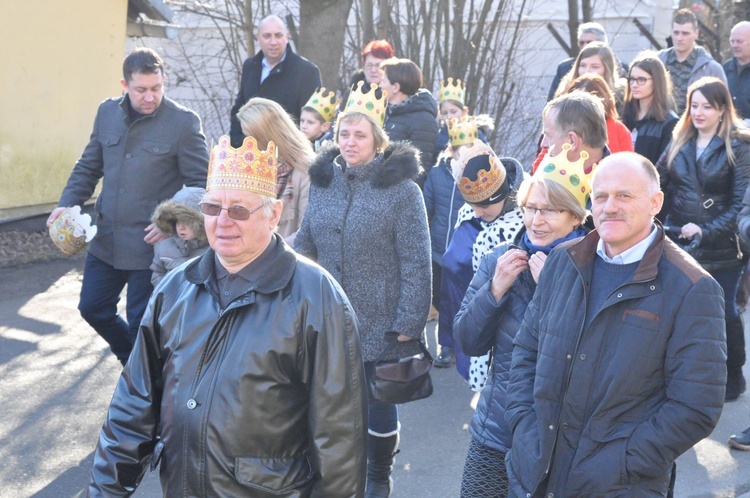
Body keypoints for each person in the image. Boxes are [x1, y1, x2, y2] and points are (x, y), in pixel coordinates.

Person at [87, 135, 367, 497]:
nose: (223, 222)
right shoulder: (175, 290)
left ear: (274, 215)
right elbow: (132, 406)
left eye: (238, 210)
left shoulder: (317, 298)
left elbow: (339, 436)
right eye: (212, 208)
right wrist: (105, 491)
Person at [506, 151, 727, 497]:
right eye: (601, 196)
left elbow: (695, 406)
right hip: (535, 474)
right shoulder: (564, 261)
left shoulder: (692, 289)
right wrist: (523, 426)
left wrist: (621, 464)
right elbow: (526, 350)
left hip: (617, 487)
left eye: (624, 195)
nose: (609, 206)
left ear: (655, 202)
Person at [295, 81, 431, 497]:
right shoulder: (323, 183)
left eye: (360, 135)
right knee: (327, 400)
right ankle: (335, 473)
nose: (350, 142)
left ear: (377, 140)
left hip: (380, 318)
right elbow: (304, 245)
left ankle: (378, 475)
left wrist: (409, 320)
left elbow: (417, 260)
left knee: (377, 399)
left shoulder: (403, 192)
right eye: (343, 134)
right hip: (327, 315)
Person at [45, 48, 209, 366]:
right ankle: (132, 368)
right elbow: (88, 167)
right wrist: (66, 205)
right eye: (141, 90)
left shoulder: (183, 123)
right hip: (106, 240)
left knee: (142, 327)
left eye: (157, 88)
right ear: (125, 84)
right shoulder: (107, 113)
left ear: (164, 82)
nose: (150, 97)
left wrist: (170, 221)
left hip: (150, 249)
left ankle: (141, 394)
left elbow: (202, 186)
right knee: (92, 307)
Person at [453, 147, 590, 497]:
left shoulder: (593, 272)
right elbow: (467, 341)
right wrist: (494, 290)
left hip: (556, 441)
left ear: (575, 217)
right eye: (530, 208)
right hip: (495, 432)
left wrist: (554, 292)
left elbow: (590, 356)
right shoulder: (499, 259)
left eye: (550, 211)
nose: (537, 220)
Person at [656, 77, 750, 402]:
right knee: (677, 312)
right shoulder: (679, 140)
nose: (697, 112)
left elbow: (741, 204)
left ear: (722, 109)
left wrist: (705, 230)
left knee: (723, 312)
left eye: (706, 106)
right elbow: (658, 183)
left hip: (723, 246)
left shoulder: (738, 146)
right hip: (679, 240)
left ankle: (734, 372)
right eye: (693, 105)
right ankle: (682, 378)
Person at [438, 140, 526, 383]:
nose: (476, 212)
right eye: (472, 205)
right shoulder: (470, 213)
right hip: (468, 316)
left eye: (483, 205)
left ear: (503, 194)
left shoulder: (526, 221)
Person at [424, 116, 484, 365]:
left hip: (465, 254)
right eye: (460, 153)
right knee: (441, 299)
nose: (464, 159)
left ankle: (450, 346)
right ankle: (450, 342)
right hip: (438, 251)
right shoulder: (437, 175)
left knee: (458, 302)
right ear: (450, 151)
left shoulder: (480, 176)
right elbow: (426, 208)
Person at [229, 14, 322, 147]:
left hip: (288, 155)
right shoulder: (250, 66)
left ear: (287, 37)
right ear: (258, 38)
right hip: (251, 153)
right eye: (267, 36)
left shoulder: (307, 71)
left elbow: (313, 121)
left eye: (278, 35)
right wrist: (238, 144)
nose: (273, 42)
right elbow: (239, 109)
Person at [237, 97, 315, 244]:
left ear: (267, 136)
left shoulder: (305, 172)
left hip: (286, 257)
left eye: (251, 137)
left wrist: (270, 253)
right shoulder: (252, 168)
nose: (248, 144)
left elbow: (307, 232)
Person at [379, 57, 440, 182]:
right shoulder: (385, 112)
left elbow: (419, 169)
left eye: (383, 81)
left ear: (395, 87)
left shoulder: (423, 120)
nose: (380, 85)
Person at [658, 8, 726, 115]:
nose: (679, 38)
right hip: (661, 126)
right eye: (676, 32)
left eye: (685, 33)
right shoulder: (658, 61)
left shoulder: (711, 68)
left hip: (695, 128)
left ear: (696, 33)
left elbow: (723, 106)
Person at [532, 91, 609, 174]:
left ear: (572, 140)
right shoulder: (548, 174)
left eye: (549, 136)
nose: (543, 144)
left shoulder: (617, 183)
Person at [622, 51, 680, 164]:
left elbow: (664, 166)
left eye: (641, 80)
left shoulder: (669, 123)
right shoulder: (625, 115)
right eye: (632, 79)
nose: (634, 84)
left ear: (657, 81)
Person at [547, 22, 628, 101]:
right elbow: (551, 102)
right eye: (581, 43)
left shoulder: (621, 69)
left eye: (589, 42)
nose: (585, 46)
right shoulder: (565, 68)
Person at [149, 186, 209, 286]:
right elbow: (158, 272)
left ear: (201, 224)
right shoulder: (164, 246)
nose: (181, 227)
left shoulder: (213, 250)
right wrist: (166, 289)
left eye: (187, 222)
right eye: (177, 221)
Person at [566, 73, 634, 153]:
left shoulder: (619, 129)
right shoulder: (560, 127)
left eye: (588, 103)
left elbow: (628, 162)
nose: (581, 108)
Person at [433, 78, 493, 158]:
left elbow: (489, 157)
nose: (449, 116)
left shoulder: (476, 133)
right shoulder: (438, 136)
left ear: (464, 111)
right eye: (444, 113)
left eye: (453, 111)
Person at [552, 42, 625, 106]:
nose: (587, 71)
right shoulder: (564, 91)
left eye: (594, 67)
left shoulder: (619, 98)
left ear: (607, 70)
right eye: (583, 65)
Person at [340, 39, 396, 112]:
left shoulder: (395, 95)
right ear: (363, 66)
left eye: (378, 65)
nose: (373, 70)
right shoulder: (352, 93)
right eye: (369, 65)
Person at [723, 21, 750, 121]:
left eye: (739, 41)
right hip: (725, 132)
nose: (734, 45)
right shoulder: (725, 69)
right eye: (732, 41)